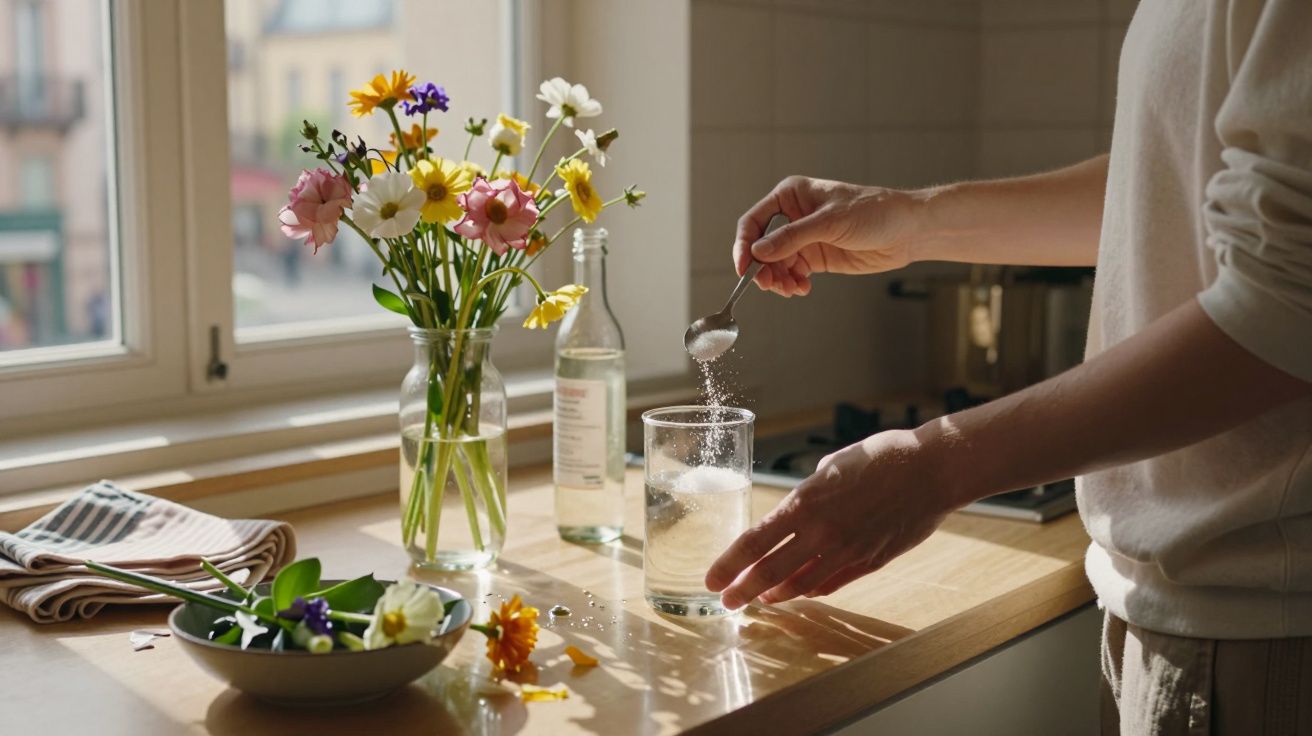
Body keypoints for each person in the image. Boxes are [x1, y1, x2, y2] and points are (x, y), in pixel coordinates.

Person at [706, 0, 1312, 731]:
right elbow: (1161, 187)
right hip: (1179, 603)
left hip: (1265, 623)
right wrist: (912, 219)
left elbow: (1288, 303)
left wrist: (935, 467)